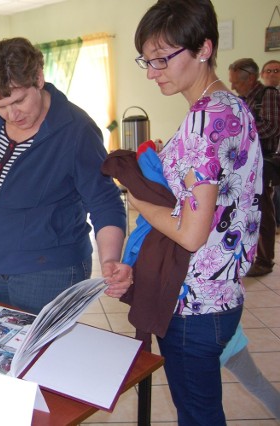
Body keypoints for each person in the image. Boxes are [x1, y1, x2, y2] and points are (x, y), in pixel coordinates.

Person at [128, 1, 263, 424]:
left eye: (162, 60)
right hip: (225, 294)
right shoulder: (233, 105)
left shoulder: (203, 122)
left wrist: (139, 201)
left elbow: (189, 234)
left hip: (195, 305)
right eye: (147, 62)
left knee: (198, 415)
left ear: (203, 48)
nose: (152, 73)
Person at [0, 37, 131, 316]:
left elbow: (104, 202)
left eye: (19, 100)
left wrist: (110, 259)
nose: (11, 114)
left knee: (41, 355)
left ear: (38, 78)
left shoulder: (75, 130)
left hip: (50, 271)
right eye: (0, 105)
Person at [228, 58, 280, 276]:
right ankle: (250, 256)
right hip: (248, 162)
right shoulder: (245, 99)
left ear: (250, 78)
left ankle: (265, 261)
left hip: (263, 161)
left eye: (236, 83)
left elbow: (272, 126)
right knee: (248, 210)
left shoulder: (267, 95)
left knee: (263, 211)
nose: (232, 86)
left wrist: (242, 130)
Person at [261, 60, 280, 234]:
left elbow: (272, 128)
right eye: (268, 70)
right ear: (262, 75)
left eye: (276, 70)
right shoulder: (262, 96)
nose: (272, 74)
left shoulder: (271, 95)